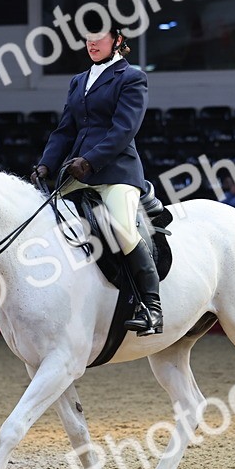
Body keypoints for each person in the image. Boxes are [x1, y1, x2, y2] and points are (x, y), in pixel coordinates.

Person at [31, 26, 161, 336]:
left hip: (115, 171)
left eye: (99, 38)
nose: (92, 44)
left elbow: (124, 129)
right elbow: (65, 130)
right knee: (44, 221)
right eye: (88, 39)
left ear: (117, 40)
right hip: (76, 171)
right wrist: (47, 164)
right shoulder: (78, 81)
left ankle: (152, 307)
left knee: (123, 229)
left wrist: (90, 161)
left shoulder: (132, 77)